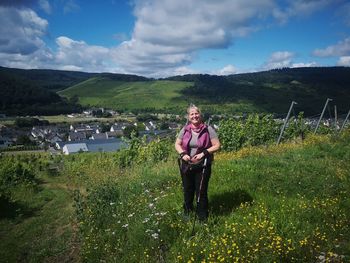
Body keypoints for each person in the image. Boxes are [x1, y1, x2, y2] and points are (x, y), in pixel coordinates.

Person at [175, 105, 220, 221]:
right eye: (192, 114)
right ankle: (187, 212)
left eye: (196, 113)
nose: (194, 116)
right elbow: (177, 144)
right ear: (188, 117)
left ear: (200, 115)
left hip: (203, 164)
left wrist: (204, 153)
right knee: (187, 189)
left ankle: (202, 217)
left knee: (201, 191)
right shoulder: (185, 129)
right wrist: (183, 154)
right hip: (187, 164)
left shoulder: (208, 129)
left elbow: (217, 145)